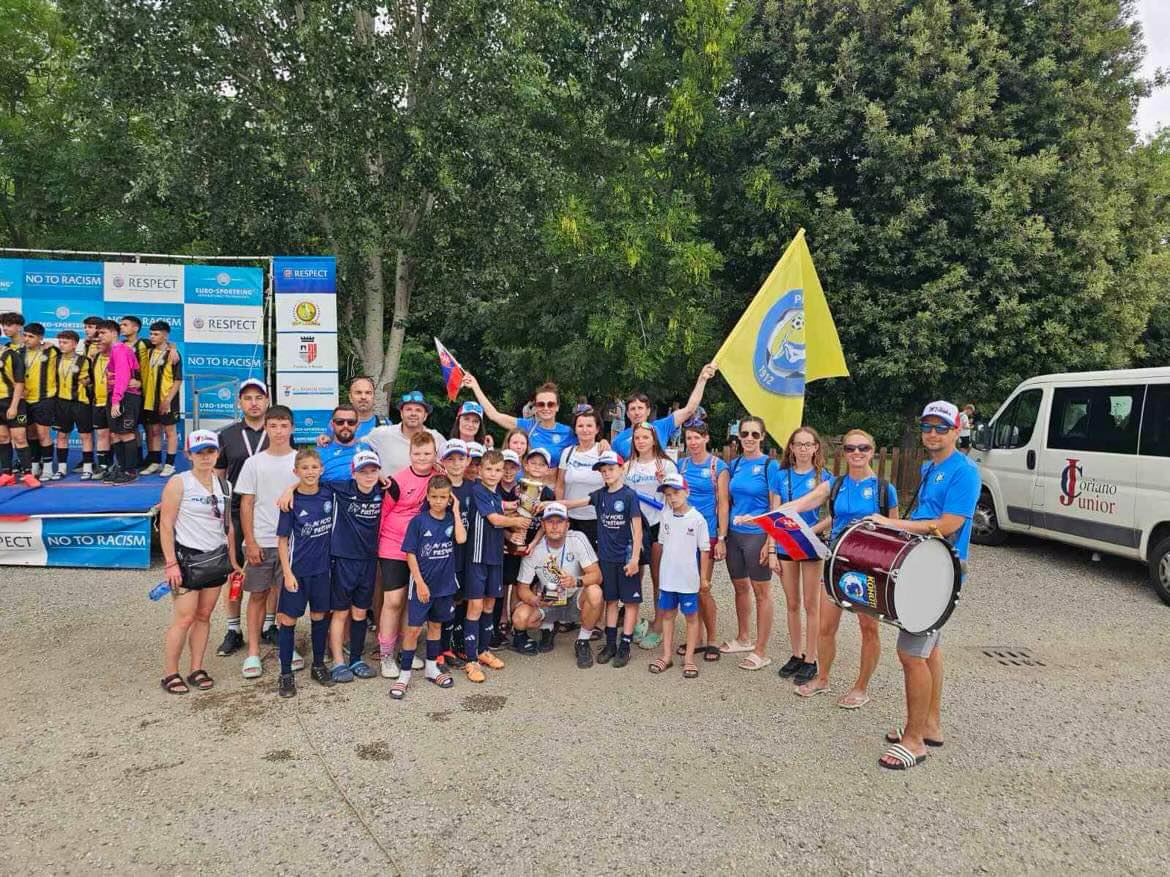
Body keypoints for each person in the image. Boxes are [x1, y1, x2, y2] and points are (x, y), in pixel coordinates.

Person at [868, 401, 979, 770]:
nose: (932, 433)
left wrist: (894, 525)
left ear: (956, 430)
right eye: (927, 426)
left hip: (940, 574)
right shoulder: (930, 466)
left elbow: (949, 525)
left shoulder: (964, 472)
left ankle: (914, 741)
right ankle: (929, 725)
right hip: (924, 564)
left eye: (941, 427)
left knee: (911, 654)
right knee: (929, 650)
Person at [775, 428, 897, 707]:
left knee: (868, 628)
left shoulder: (883, 488)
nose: (857, 453)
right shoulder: (835, 485)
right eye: (851, 448)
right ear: (843, 452)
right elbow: (800, 503)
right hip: (836, 562)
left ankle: (861, 687)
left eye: (863, 448)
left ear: (872, 451)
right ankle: (822, 677)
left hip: (869, 566)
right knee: (826, 627)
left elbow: (894, 531)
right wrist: (766, 517)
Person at [158, 430, 240, 694]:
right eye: (199, 453)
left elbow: (227, 526)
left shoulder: (224, 484)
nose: (206, 458)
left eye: (210, 452)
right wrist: (170, 563)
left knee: (203, 616)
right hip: (187, 559)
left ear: (217, 453)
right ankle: (170, 672)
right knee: (184, 618)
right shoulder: (179, 483)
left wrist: (233, 561)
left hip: (214, 559)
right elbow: (166, 525)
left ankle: (196, 667)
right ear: (189, 455)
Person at [559, 450, 642, 668]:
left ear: (621, 469)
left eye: (611, 469)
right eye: (603, 471)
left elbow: (637, 528)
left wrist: (634, 558)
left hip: (626, 558)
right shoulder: (600, 495)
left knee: (630, 602)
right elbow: (577, 502)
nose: (606, 474)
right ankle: (611, 643)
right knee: (611, 600)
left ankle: (625, 644)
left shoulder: (629, 495)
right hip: (606, 558)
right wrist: (555, 505)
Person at [234, 405, 300, 679]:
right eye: (273, 425)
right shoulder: (254, 463)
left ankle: (288, 646)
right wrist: (250, 541)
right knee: (258, 595)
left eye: (284, 425)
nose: (279, 431)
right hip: (261, 538)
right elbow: (246, 503)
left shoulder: (300, 460)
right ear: (265, 427)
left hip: (295, 543)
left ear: (292, 428)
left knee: (288, 597)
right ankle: (252, 652)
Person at [391, 475, 467, 699]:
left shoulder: (451, 520)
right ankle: (404, 675)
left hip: (445, 586)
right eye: (434, 496)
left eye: (443, 497)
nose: (438, 501)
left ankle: (431, 668)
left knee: (435, 627)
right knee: (414, 629)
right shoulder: (419, 521)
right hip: (423, 586)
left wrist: (457, 510)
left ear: (449, 499)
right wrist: (420, 583)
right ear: (427, 496)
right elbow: (410, 554)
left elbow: (461, 539)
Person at [214, 378, 271, 657]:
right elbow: (219, 478)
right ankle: (233, 628)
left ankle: (268, 624)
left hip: (271, 511)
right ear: (240, 403)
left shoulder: (278, 432)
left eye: (259, 397)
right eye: (247, 398)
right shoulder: (227, 435)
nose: (254, 402)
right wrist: (220, 515)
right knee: (236, 570)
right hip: (237, 511)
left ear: (267, 401)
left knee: (272, 571)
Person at [317, 449, 385, 683]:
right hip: (343, 559)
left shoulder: (383, 490)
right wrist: (289, 489)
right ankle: (338, 661)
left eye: (373, 471)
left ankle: (356, 658)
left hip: (368, 560)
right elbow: (310, 481)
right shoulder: (340, 488)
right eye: (363, 471)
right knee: (341, 612)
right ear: (353, 473)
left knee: (360, 613)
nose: (368, 476)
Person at [509, 502, 604, 668]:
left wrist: (576, 581)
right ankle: (548, 627)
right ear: (543, 525)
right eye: (549, 522)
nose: (554, 526)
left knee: (595, 592)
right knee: (519, 618)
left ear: (567, 524)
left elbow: (597, 575)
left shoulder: (578, 538)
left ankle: (582, 640)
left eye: (559, 521)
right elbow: (522, 588)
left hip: (575, 597)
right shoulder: (535, 549)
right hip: (548, 599)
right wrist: (535, 600)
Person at [772, 427, 832, 686]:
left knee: (811, 604)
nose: (804, 449)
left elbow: (833, 515)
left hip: (810, 544)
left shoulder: (824, 477)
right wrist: (772, 549)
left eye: (809, 444)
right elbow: (773, 514)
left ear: (816, 447)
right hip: (785, 544)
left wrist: (809, 530)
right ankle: (796, 653)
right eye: (799, 444)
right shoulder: (781, 475)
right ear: (792, 448)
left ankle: (811, 657)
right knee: (792, 603)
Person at [462, 448, 528, 682]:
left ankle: (483, 650)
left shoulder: (496, 495)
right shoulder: (477, 490)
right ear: (479, 470)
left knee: (490, 604)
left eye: (497, 470)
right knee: (476, 606)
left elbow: (499, 528)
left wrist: (514, 538)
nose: (493, 473)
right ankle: (470, 659)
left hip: (495, 557)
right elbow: (494, 519)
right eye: (488, 469)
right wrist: (516, 521)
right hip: (477, 558)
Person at [274, 448, 336, 697]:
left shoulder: (329, 494)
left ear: (321, 469)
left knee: (320, 616)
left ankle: (318, 664)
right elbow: (282, 541)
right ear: (295, 471)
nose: (310, 472)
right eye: (304, 468)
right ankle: (286, 673)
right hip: (297, 571)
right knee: (288, 620)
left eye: (314, 467)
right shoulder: (290, 502)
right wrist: (287, 573)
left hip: (322, 570)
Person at [376, 431, 438, 677]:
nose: (422, 458)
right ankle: (386, 656)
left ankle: (406, 652)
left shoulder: (438, 479)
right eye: (417, 453)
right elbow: (383, 514)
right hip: (393, 545)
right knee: (393, 601)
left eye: (427, 453)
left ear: (435, 454)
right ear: (409, 454)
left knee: (411, 603)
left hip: (422, 549)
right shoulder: (396, 481)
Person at [720, 415, 779, 670]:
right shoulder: (734, 465)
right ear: (739, 436)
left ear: (763, 437)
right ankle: (743, 637)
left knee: (762, 593)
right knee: (740, 588)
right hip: (735, 534)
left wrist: (771, 541)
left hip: (758, 535)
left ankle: (761, 650)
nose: (750, 439)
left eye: (755, 434)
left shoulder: (770, 466)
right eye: (745, 434)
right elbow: (727, 501)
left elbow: (775, 505)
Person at [675, 419, 728, 661]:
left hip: (706, 534)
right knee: (688, 587)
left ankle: (712, 639)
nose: (693, 442)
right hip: (682, 533)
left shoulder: (718, 466)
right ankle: (693, 638)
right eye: (689, 438)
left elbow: (724, 504)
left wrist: (723, 538)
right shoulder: (682, 465)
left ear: (707, 438)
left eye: (698, 437)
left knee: (703, 587)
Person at [624, 421, 678, 651]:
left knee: (658, 577)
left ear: (654, 440)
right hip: (634, 525)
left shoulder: (666, 465)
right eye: (637, 438)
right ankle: (634, 621)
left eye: (645, 437)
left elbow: (676, 496)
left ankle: (658, 624)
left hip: (658, 525)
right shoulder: (627, 466)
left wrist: (662, 480)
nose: (641, 441)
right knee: (633, 575)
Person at [461, 374, 575, 481]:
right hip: (518, 487)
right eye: (541, 404)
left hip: (549, 492)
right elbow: (494, 415)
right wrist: (475, 386)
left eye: (551, 404)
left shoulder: (567, 432)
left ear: (558, 407)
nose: (546, 408)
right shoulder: (527, 425)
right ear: (535, 407)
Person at [650, 474, 709, 678]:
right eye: (668, 494)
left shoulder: (698, 519)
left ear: (687, 492)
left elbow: (704, 550)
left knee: (691, 617)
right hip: (668, 579)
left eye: (676, 493)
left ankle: (690, 658)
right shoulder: (665, 517)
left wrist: (703, 577)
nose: (672, 498)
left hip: (688, 580)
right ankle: (666, 655)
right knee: (667, 615)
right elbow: (664, 545)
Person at [610, 363, 717, 459]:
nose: (637, 412)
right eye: (633, 409)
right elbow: (613, 472)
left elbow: (689, 409)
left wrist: (702, 379)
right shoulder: (618, 441)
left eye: (640, 408)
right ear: (628, 414)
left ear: (648, 411)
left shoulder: (661, 426)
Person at [436, 440, 473, 670]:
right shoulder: (438, 488)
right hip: (443, 557)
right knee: (443, 603)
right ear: (443, 462)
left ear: (468, 461)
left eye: (461, 458)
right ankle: (438, 649)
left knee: (459, 601)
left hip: (464, 555)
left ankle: (453, 644)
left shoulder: (473, 487)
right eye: (451, 459)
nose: (456, 463)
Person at [100, 319, 143, 485]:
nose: (100, 336)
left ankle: (130, 471)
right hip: (116, 396)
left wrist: (117, 400)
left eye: (103, 333)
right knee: (115, 434)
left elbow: (124, 376)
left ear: (114, 333)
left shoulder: (120, 350)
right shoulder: (115, 350)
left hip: (126, 397)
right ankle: (122, 467)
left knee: (126, 433)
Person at [364, 390, 445, 477]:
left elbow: (452, 462)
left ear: (425, 416)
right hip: (390, 489)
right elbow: (357, 446)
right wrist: (373, 471)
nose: (413, 414)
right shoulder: (382, 434)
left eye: (418, 410)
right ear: (401, 413)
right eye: (408, 409)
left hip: (425, 490)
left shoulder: (436, 438)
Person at [556, 408, 605, 549]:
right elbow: (560, 484)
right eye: (580, 426)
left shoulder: (603, 451)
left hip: (596, 519)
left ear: (597, 429)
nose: (585, 430)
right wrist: (562, 511)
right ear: (575, 429)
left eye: (589, 426)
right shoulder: (568, 452)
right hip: (571, 518)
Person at [140, 321, 182, 477]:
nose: (152, 337)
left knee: (170, 432)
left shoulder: (174, 355)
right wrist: (173, 345)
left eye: (156, 334)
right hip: (150, 400)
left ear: (165, 335)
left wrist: (168, 399)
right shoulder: (149, 351)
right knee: (154, 431)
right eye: (151, 333)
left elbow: (178, 380)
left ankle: (170, 464)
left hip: (167, 399)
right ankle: (155, 462)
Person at [52, 331, 94, 480]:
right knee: (62, 435)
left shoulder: (84, 360)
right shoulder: (55, 360)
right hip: (61, 403)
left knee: (85, 436)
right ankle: (61, 469)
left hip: (81, 403)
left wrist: (87, 382)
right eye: (60, 342)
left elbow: (91, 381)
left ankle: (88, 468)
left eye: (65, 342)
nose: (62, 345)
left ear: (75, 344)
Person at [21, 322, 58, 480]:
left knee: (43, 434)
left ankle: (48, 469)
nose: (27, 339)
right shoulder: (19, 353)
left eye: (31, 336)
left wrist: (52, 345)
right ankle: (35, 466)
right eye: (25, 336)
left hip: (44, 398)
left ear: (41, 338)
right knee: (30, 433)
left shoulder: (52, 352)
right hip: (24, 399)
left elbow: (70, 354)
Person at [0, 314, 34, 487]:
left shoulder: (10, 354)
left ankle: (29, 473)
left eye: (8, 325)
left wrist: (13, 405)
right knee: (2, 437)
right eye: (3, 325)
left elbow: (20, 382)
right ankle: (7, 473)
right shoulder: (8, 347)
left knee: (20, 437)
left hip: (16, 400)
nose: (5, 328)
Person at [315, 376, 390, 447]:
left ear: (373, 397)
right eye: (358, 392)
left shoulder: (385, 424)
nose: (363, 397)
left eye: (368, 393)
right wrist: (323, 439)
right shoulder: (337, 425)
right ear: (350, 397)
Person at [318, 404, 363, 480]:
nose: (345, 425)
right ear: (332, 425)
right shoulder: (318, 454)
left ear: (357, 425)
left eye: (351, 422)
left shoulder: (368, 448)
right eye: (340, 422)